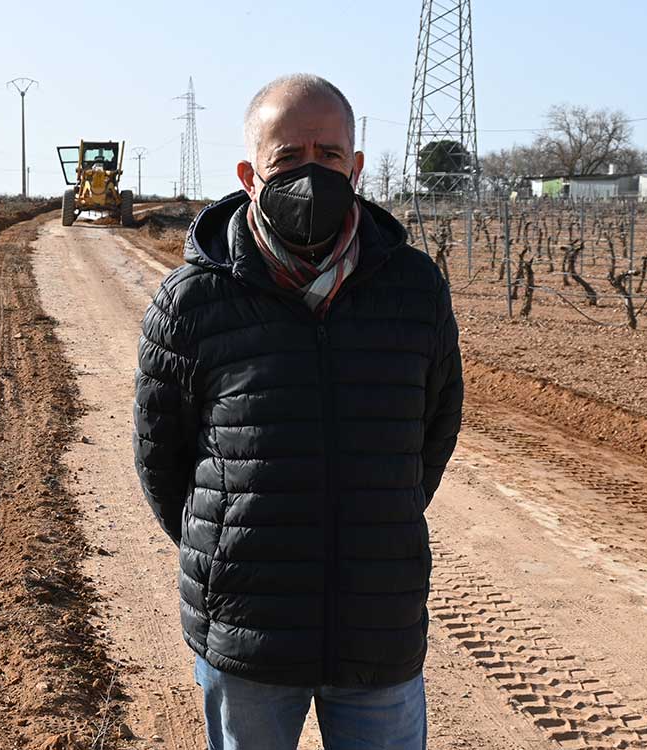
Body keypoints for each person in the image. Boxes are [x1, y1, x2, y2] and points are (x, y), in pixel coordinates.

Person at [132, 73, 463, 750]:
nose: (311, 174)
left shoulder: (413, 288)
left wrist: (374, 516)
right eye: (288, 158)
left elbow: (431, 436)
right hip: (247, 628)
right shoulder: (193, 300)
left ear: (358, 166)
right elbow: (161, 460)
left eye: (329, 154)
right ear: (250, 173)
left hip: (379, 622)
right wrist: (229, 545)